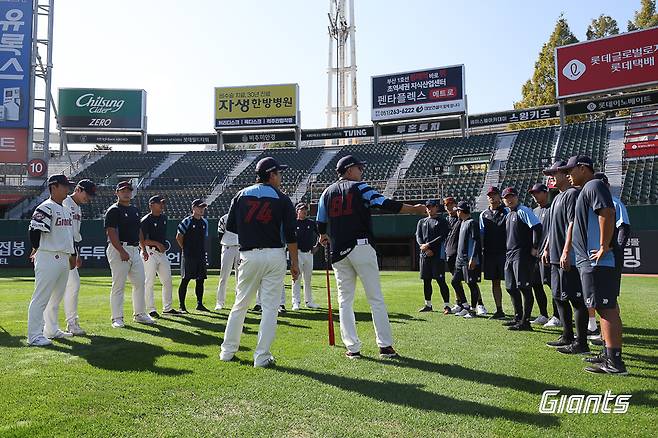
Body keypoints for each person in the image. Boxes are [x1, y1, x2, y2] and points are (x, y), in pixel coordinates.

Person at [316, 155, 426, 359]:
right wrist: (414, 209)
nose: (361, 171)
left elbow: (320, 221)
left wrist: (323, 235)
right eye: (359, 167)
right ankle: (385, 346)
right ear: (349, 170)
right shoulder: (360, 188)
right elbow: (385, 204)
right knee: (375, 298)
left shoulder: (326, 192)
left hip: (338, 251)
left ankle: (353, 348)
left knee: (344, 301)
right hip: (361, 247)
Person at [220, 157, 299, 367]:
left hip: (249, 255)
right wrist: (295, 263)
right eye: (279, 173)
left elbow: (232, 227)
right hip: (274, 254)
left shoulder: (241, 195)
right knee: (270, 308)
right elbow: (291, 235)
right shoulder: (282, 198)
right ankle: (261, 357)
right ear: (271, 174)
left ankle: (227, 352)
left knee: (240, 305)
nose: (281, 177)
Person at [563, 156, 626, 374]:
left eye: (571, 170)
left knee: (606, 308)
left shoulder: (594, 184)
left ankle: (615, 362)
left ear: (583, 168)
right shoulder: (587, 188)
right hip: (590, 261)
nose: (568, 174)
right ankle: (609, 354)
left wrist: (603, 245)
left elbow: (606, 213)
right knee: (603, 307)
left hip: (598, 260)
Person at [541, 160, 589, 354]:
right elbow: (552, 229)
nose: (551, 177)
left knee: (576, 299)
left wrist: (567, 251)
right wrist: (546, 248)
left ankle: (582, 342)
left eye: (554, 173)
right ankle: (567, 335)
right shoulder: (557, 198)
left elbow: (572, 224)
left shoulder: (572, 195)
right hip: (554, 256)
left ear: (564, 173)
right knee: (559, 297)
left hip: (567, 257)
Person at [26, 174, 76, 346]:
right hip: (48, 255)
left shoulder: (66, 208)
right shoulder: (45, 207)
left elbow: (68, 235)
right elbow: (34, 230)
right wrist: (36, 247)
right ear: (53, 187)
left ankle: (51, 329)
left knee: (55, 299)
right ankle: (34, 335)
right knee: (41, 298)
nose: (67, 189)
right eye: (64, 186)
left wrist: (71, 255)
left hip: (62, 256)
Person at [43, 179, 96, 337]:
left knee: (69, 286)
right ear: (79, 189)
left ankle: (58, 325)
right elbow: (61, 230)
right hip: (58, 251)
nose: (90, 198)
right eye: (88, 193)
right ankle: (65, 324)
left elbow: (73, 234)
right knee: (62, 288)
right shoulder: (64, 202)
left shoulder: (77, 208)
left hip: (68, 251)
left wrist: (76, 253)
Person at [588, 172, 631, 341]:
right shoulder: (594, 201)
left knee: (609, 299)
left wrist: (615, 249)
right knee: (601, 298)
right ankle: (605, 335)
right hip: (598, 256)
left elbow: (624, 228)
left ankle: (610, 338)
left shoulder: (614, 202)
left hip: (609, 256)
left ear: (605, 185)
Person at [105, 180, 155, 328]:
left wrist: (143, 248)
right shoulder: (114, 210)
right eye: (123, 190)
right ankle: (117, 318)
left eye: (128, 190)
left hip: (134, 249)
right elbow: (111, 231)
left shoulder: (135, 210)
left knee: (140, 282)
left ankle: (139, 314)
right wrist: (121, 250)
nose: (126, 193)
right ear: (117, 192)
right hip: (119, 248)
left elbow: (138, 230)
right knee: (118, 285)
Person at [501, 187, 542, 331]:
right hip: (510, 254)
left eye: (511, 196)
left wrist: (535, 246)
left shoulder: (523, 210)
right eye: (506, 197)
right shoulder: (508, 214)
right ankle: (518, 317)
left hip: (522, 254)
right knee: (510, 287)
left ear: (517, 197)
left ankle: (526, 321)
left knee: (524, 287)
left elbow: (537, 227)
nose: (509, 199)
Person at [141, 195, 180, 317]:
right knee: (149, 282)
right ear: (151, 205)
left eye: (163, 203)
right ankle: (150, 309)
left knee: (167, 280)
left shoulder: (164, 218)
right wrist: (156, 244)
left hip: (161, 253)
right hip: (149, 251)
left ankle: (167, 308)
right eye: (159, 203)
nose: (162, 206)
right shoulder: (146, 220)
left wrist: (160, 245)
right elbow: (141, 240)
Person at [415, 199, 450, 313]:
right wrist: (424, 248)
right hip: (424, 255)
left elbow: (442, 236)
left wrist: (429, 246)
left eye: (432, 207)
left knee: (440, 280)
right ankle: (428, 305)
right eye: (428, 207)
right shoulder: (421, 222)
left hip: (437, 255)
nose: (429, 209)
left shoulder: (442, 221)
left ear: (437, 208)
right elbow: (418, 236)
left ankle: (447, 305)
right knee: (426, 280)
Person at [176, 199, 210, 313]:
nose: (202, 210)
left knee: (200, 280)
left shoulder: (205, 222)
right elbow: (178, 236)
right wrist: (185, 249)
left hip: (200, 255)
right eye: (200, 207)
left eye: (203, 207)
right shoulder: (187, 221)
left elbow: (204, 238)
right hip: (189, 255)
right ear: (193, 208)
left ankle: (200, 304)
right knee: (185, 279)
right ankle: (182, 306)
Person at [479, 186, 507, 319]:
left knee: (513, 283)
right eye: (489, 195)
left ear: (499, 196)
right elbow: (482, 234)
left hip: (505, 253)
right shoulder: (483, 214)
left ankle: (521, 313)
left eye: (494, 194)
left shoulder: (507, 211)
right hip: (490, 253)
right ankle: (499, 310)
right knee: (495, 282)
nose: (492, 197)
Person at [451, 201, 482, 319]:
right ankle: (465, 306)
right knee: (454, 281)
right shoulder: (462, 223)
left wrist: (473, 257)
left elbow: (476, 241)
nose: (456, 212)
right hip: (460, 260)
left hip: (468, 259)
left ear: (461, 211)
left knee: (471, 284)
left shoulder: (472, 223)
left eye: (457, 210)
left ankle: (473, 310)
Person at [528, 183, 553, 326]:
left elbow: (553, 231)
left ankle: (557, 316)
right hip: (535, 255)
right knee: (536, 284)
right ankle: (543, 314)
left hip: (548, 253)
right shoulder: (533, 211)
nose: (534, 196)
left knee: (553, 285)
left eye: (537, 192)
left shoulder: (552, 209)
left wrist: (547, 249)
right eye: (533, 193)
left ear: (545, 193)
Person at [292, 202, 320, 310]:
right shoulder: (293, 223)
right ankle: (296, 302)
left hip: (309, 254)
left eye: (305, 209)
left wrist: (317, 246)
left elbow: (320, 235)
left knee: (308, 279)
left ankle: (309, 301)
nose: (304, 211)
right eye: (302, 209)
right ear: (297, 211)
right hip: (297, 254)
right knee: (296, 278)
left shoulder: (311, 223)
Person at [443, 196, 466, 314]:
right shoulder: (446, 219)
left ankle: (479, 303)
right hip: (450, 253)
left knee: (469, 280)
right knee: (455, 280)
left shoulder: (461, 218)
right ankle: (459, 303)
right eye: (446, 205)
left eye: (451, 204)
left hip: (461, 254)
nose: (449, 207)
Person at [215, 212, 240, 311]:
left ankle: (238, 302)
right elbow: (220, 234)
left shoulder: (243, 216)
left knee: (240, 277)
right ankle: (219, 302)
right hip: (228, 246)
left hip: (240, 247)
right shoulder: (224, 218)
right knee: (224, 276)